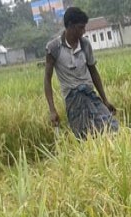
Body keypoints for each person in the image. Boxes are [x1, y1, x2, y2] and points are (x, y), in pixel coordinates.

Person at [44, 7, 118, 140]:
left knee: (111, 127)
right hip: (73, 98)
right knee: (86, 136)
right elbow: (47, 80)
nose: (84, 31)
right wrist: (52, 110)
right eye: (81, 28)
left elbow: (93, 72)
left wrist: (105, 100)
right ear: (70, 25)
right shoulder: (54, 48)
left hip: (90, 94)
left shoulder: (85, 44)